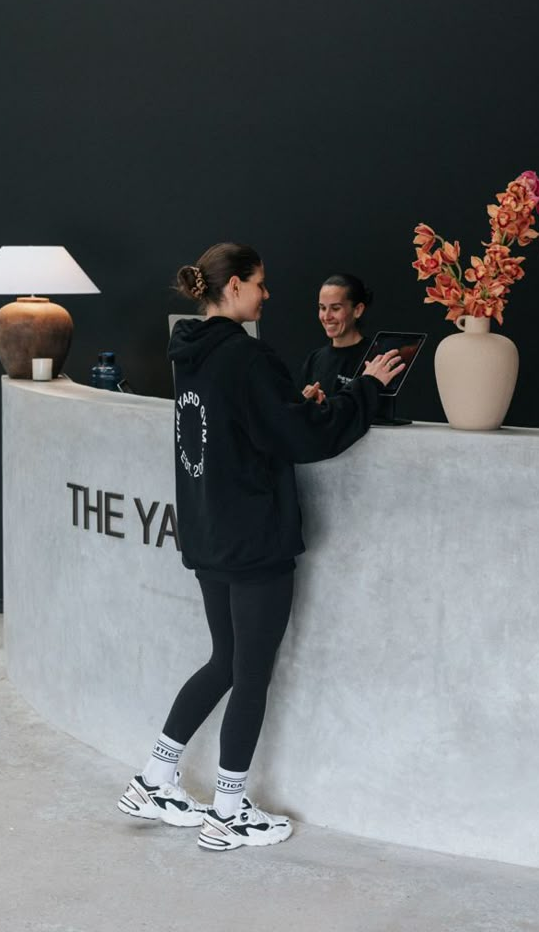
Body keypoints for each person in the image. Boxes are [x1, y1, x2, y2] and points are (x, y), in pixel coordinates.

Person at [117, 242, 402, 852]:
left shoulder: (191, 354)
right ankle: (228, 809)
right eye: (261, 283)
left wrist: (299, 403)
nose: (268, 295)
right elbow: (298, 439)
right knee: (250, 672)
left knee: (225, 660)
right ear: (236, 286)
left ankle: (155, 777)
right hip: (252, 539)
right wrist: (367, 390)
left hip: (208, 533)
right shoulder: (247, 357)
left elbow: (239, 426)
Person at [300, 273, 373, 403]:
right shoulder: (315, 359)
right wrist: (305, 401)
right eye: (322, 308)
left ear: (358, 310)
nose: (327, 316)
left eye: (335, 308)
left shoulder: (374, 359)